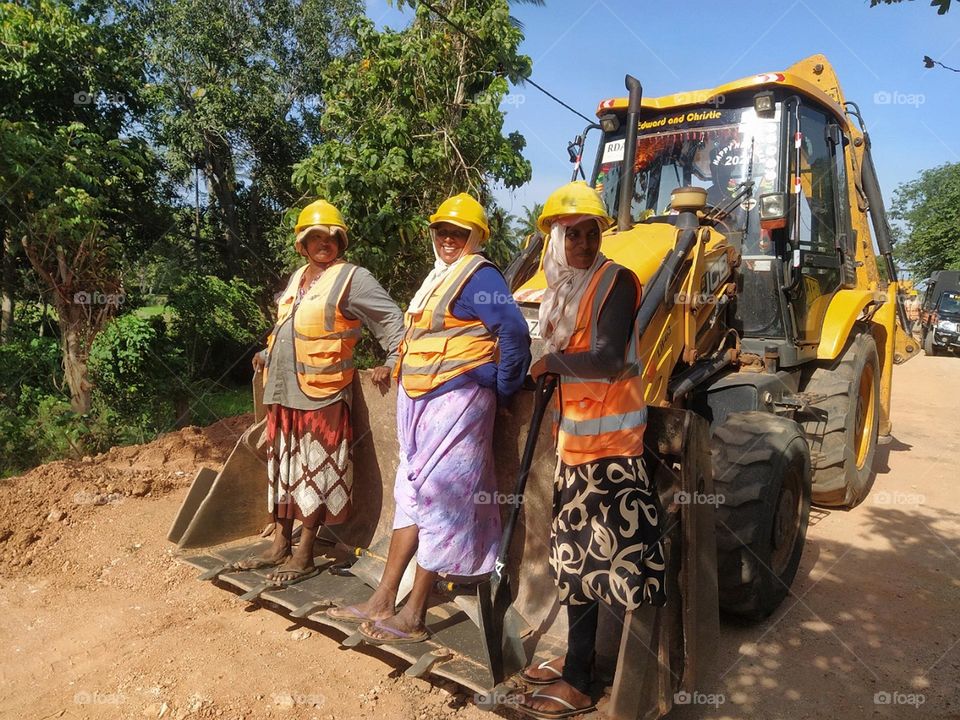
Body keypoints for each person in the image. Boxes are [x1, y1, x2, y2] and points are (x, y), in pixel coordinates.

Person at [327, 193, 531, 643]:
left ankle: (414, 614)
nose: (449, 239)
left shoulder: (479, 276)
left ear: (476, 237)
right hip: (422, 402)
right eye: (442, 231)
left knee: (441, 501)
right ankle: (385, 596)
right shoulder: (439, 278)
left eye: (459, 233)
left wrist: (501, 388)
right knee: (412, 493)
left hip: (456, 402)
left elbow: (514, 332)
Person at [515, 182, 666, 719]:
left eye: (590, 232)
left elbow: (603, 360)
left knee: (605, 565)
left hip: (611, 450)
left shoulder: (616, 282)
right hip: (577, 445)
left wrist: (548, 364)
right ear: (554, 239)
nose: (581, 241)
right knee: (574, 560)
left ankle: (587, 678)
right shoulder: (563, 289)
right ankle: (577, 661)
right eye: (570, 232)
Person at [243, 199, 405, 585]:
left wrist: (393, 359)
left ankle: (305, 553)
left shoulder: (353, 278)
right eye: (315, 236)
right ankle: (281, 543)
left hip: (323, 393)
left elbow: (392, 319)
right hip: (282, 393)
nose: (324, 243)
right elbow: (291, 325)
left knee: (316, 474)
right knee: (285, 470)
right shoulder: (298, 277)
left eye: (332, 237)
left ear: (341, 242)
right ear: (302, 243)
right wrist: (267, 353)